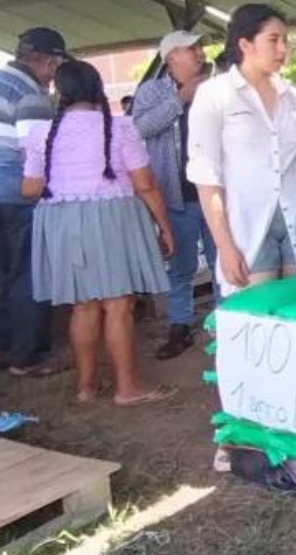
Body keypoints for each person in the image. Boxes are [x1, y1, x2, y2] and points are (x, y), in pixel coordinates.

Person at [22, 60, 176, 406]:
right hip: (112, 218)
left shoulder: (41, 133)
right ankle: (127, 388)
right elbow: (145, 184)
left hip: (62, 223)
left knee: (84, 306)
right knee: (119, 305)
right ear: (98, 89)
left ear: (59, 93)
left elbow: (30, 188)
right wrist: (164, 227)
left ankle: (86, 387)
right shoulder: (120, 128)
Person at [187, 4, 296, 297]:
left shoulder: (292, 96)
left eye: (285, 40)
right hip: (246, 223)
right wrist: (224, 247)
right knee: (258, 316)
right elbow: (206, 177)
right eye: (273, 40)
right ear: (245, 44)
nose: (282, 49)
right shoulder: (215, 95)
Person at [133, 30, 220, 360]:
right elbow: (138, 128)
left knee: (222, 262)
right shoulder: (151, 91)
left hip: (214, 192)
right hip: (175, 193)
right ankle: (180, 326)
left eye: (200, 47)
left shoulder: (218, 86)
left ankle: (226, 325)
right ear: (172, 57)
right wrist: (180, 98)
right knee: (181, 267)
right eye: (192, 48)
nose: (200, 53)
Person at [0, 28, 67, 376]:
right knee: (29, 274)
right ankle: (27, 357)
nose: (55, 74)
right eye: (56, 64)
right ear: (43, 59)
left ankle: (5, 347)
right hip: (17, 199)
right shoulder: (32, 95)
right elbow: (36, 159)